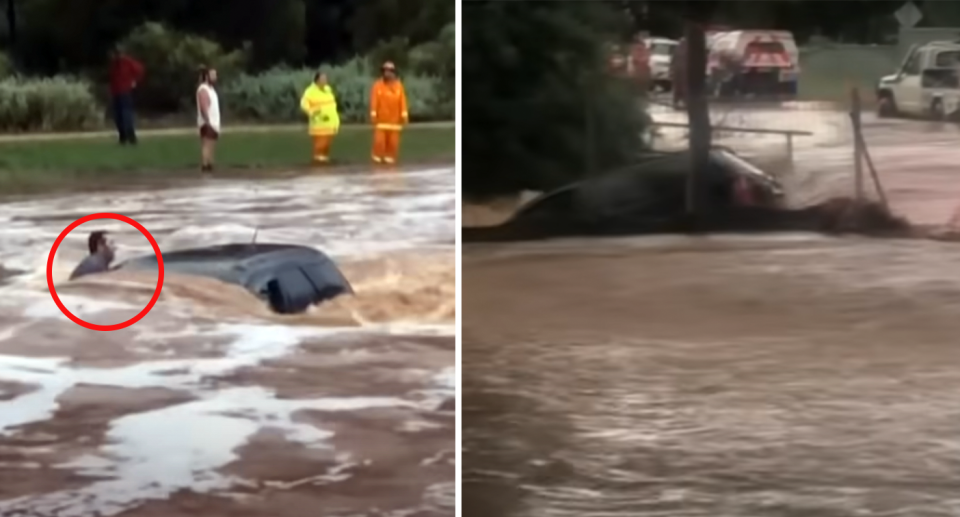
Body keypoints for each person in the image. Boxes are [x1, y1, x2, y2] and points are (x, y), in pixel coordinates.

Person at [369, 61, 409, 165]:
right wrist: (373, 114)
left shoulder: (399, 86)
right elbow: (374, 101)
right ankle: (377, 158)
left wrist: (404, 115)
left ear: (394, 73)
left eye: (390, 71)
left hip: (395, 121)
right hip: (381, 120)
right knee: (379, 142)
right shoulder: (377, 86)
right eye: (385, 71)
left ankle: (389, 159)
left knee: (393, 143)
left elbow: (402, 101)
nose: (388, 73)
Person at [299, 72, 340, 164]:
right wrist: (312, 112)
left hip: (330, 123)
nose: (325, 81)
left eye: (326, 78)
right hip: (319, 123)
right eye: (323, 79)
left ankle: (324, 160)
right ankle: (318, 162)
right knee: (320, 144)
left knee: (327, 144)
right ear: (317, 80)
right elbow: (303, 104)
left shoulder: (328, 89)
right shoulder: (310, 91)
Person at [108, 47, 144, 145]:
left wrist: (134, 81)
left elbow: (140, 70)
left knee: (126, 115)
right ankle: (123, 136)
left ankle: (131, 136)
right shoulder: (114, 64)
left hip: (125, 91)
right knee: (118, 116)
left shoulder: (127, 62)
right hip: (116, 92)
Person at [196, 67, 221, 173]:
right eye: (212, 75)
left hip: (214, 122)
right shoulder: (203, 89)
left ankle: (209, 163)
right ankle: (205, 165)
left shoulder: (211, 89)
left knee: (211, 144)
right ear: (206, 76)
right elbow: (203, 105)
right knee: (207, 144)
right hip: (208, 122)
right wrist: (207, 120)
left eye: (215, 75)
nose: (215, 77)